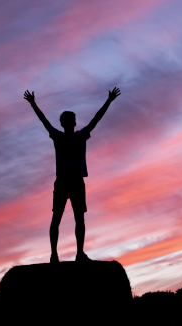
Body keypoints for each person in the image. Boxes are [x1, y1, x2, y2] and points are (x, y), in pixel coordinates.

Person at [24, 87, 121, 263]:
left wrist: (33, 103)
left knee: (57, 218)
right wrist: (109, 100)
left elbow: (44, 121)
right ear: (74, 123)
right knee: (78, 219)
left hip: (63, 182)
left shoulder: (58, 136)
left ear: (63, 123)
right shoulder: (79, 135)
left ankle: (56, 254)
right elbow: (96, 119)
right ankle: (78, 254)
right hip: (74, 181)